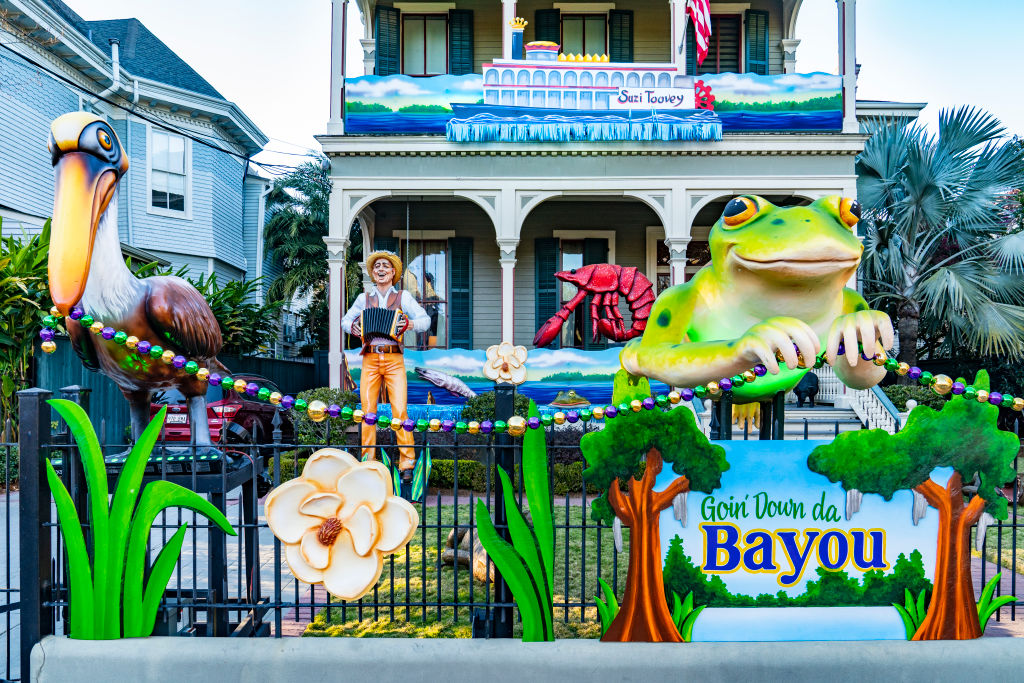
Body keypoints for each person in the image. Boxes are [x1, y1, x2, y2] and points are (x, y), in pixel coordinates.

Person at [341, 250, 430, 484]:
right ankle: (368, 461)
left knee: (400, 411)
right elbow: (345, 321)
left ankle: (407, 464)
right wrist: (353, 328)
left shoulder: (403, 297)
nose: (380, 269)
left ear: (393, 272)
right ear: (372, 273)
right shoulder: (363, 299)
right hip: (370, 358)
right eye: (377, 266)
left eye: (385, 266)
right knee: (367, 412)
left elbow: (425, 320)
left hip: (394, 359)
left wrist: (409, 324)